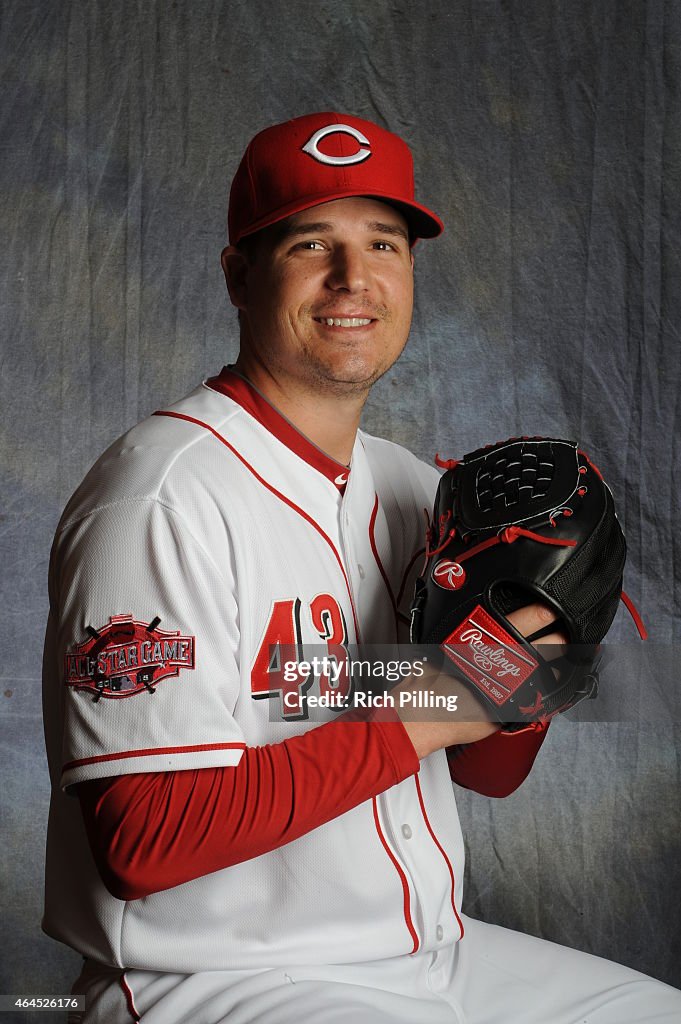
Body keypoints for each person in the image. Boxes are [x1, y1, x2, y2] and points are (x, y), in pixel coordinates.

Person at [42, 112, 681, 1023]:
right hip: (217, 978)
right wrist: (442, 700)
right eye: (313, 243)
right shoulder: (160, 500)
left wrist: (534, 639)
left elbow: (483, 772)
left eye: (383, 242)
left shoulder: (413, 486)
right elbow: (146, 841)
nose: (355, 279)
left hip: (428, 950)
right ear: (237, 275)